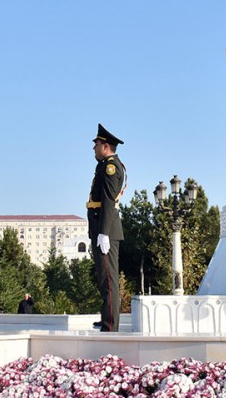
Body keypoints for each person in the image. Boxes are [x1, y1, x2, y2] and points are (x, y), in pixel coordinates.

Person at [86, 124, 126, 331]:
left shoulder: (111, 167)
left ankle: (111, 326)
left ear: (106, 146)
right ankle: (106, 318)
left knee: (109, 279)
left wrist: (103, 232)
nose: (94, 148)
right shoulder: (104, 165)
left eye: (97, 144)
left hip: (107, 230)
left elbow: (109, 201)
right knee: (103, 278)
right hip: (101, 228)